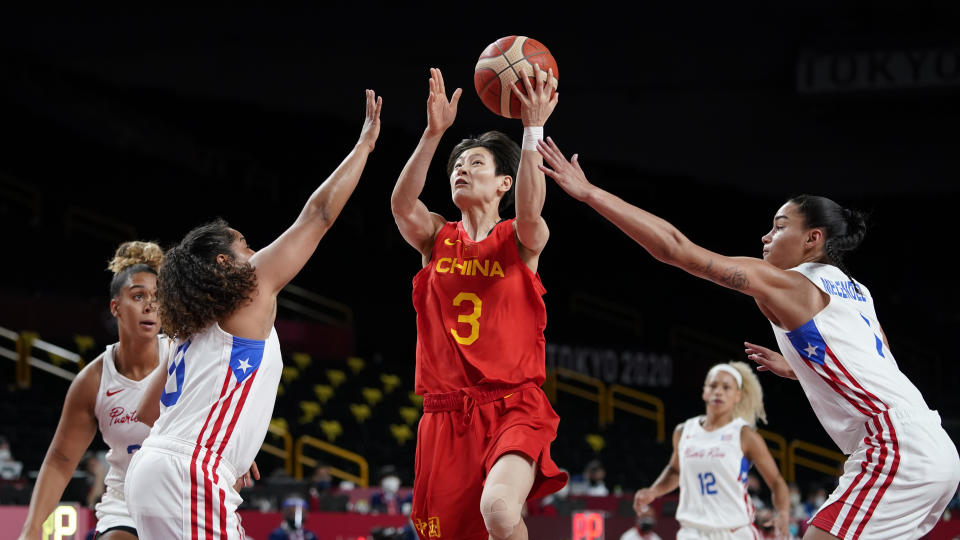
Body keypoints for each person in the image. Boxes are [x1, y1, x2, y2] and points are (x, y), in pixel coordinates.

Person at [536, 140, 960, 540]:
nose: (766, 237)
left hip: (892, 445)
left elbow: (677, 249)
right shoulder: (858, 290)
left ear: (813, 239)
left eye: (778, 227)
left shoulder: (790, 284)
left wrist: (591, 194)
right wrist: (800, 367)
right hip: (933, 441)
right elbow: (879, 362)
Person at [125, 89, 382, 540]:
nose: (254, 248)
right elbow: (317, 215)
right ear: (223, 263)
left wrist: (230, 444)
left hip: (155, 470)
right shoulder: (248, 293)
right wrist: (364, 145)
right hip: (190, 474)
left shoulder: (190, 330)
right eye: (243, 244)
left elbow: (147, 410)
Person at [390, 67, 567, 540]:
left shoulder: (520, 240)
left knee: (500, 510)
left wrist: (532, 129)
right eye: (456, 166)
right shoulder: (435, 239)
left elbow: (532, 211)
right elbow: (403, 206)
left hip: (513, 405)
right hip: (445, 416)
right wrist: (432, 135)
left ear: (503, 184)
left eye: (475, 164)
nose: (461, 169)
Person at [18, 241, 173, 540]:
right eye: (138, 296)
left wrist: (239, 451)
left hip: (184, 500)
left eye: (157, 297)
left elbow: (225, 414)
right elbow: (61, 460)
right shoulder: (93, 381)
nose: (150, 305)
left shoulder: (185, 358)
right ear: (115, 307)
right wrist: (32, 527)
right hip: (127, 506)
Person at [633, 362, 789, 539]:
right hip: (692, 531)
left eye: (726, 387)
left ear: (737, 396)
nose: (718, 391)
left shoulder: (744, 435)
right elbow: (675, 471)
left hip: (734, 531)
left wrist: (783, 513)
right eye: (713, 385)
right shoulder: (684, 431)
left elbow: (776, 482)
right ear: (704, 391)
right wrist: (652, 491)